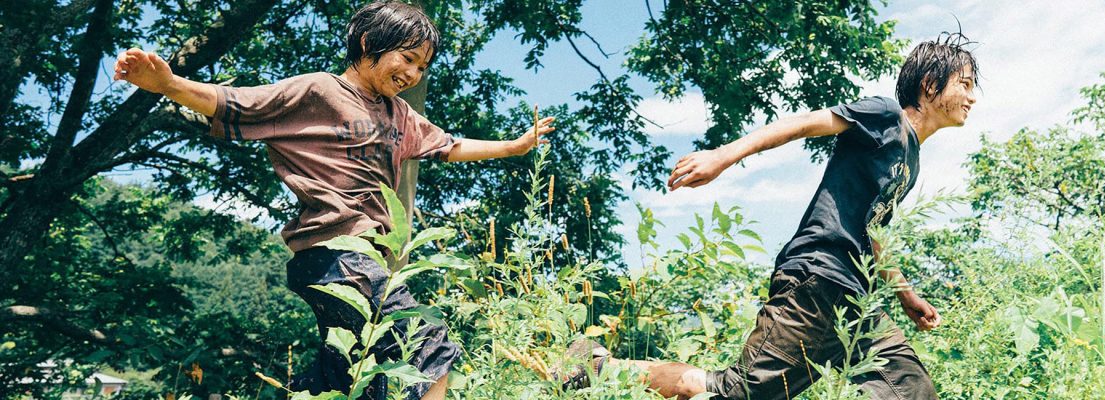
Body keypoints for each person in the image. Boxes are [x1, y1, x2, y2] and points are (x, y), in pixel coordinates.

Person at [112, 2, 555, 399]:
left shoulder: (399, 113)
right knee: (428, 342)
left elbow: (450, 145)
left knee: (352, 379)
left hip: (367, 260)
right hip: (337, 254)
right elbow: (234, 102)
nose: (414, 74)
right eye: (407, 58)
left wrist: (513, 147)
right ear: (368, 44)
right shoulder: (319, 92)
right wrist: (169, 83)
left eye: (423, 67)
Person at [561, 33, 979, 400]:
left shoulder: (912, 159)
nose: (973, 97)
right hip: (818, 281)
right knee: (738, 392)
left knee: (912, 391)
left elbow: (871, 232)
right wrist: (721, 156)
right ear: (929, 84)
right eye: (965, 84)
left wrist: (906, 295)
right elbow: (804, 125)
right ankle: (600, 367)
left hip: (858, 299)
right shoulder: (885, 116)